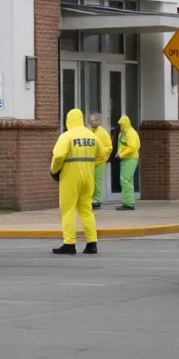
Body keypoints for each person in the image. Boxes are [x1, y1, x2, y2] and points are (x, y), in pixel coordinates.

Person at [50, 108, 99, 255]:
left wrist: (54, 170)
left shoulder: (66, 136)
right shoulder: (92, 136)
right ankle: (92, 243)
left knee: (68, 210)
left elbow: (58, 156)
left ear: (68, 120)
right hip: (88, 177)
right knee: (86, 210)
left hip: (70, 177)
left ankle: (69, 243)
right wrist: (91, 165)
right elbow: (103, 153)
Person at [89, 113, 113, 209]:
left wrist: (101, 155)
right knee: (90, 181)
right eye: (91, 120)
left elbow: (109, 147)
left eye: (94, 120)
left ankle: (97, 199)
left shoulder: (103, 132)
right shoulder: (90, 132)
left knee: (97, 181)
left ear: (99, 121)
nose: (92, 122)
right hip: (91, 161)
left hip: (99, 161)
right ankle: (90, 199)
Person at [116, 115, 141, 211]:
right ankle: (128, 202)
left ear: (125, 124)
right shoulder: (124, 133)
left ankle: (127, 203)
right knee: (128, 180)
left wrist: (121, 155)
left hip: (129, 159)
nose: (120, 127)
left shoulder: (130, 134)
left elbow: (131, 148)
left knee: (125, 180)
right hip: (127, 159)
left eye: (121, 125)